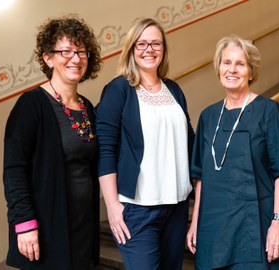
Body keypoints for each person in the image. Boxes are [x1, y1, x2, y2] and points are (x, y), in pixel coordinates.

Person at [186, 35, 279, 270]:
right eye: (226, 62)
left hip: (253, 229)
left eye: (240, 64)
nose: (232, 69)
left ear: (251, 71)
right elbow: (201, 177)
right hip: (212, 229)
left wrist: (278, 223)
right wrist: (195, 220)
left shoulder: (268, 111)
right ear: (218, 69)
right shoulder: (208, 117)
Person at [3, 14, 102, 270]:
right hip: (47, 226)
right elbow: (14, 170)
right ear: (48, 58)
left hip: (84, 226)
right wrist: (24, 224)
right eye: (66, 51)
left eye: (81, 51)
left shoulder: (87, 108)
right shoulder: (31, 104)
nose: (76, 58)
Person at [94, 18, 194, 270]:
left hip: (176, 205)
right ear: (131, 48)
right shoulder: (119, 90)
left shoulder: (174, 90)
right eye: (142, 43)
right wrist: (112, 205)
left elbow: (190, 141)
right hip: (136, 209)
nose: (149, 49)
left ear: (163, 49)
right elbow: (105, 149)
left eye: (156, 44)